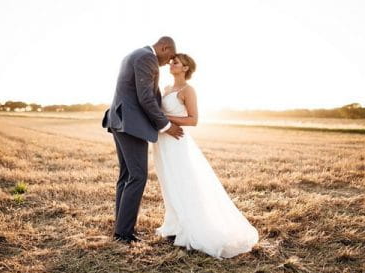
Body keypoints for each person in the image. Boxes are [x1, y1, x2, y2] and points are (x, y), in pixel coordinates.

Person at [153, 53, 259, 258]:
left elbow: (193, 120)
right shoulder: (165, 89)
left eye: (176, 62)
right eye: (172, 61)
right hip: (162, 142)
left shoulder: (188, 90)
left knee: (184, 182)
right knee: (169, 183)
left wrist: (163, 118)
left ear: (185, 68)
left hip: (177, 142)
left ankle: (194, 227)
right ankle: (175, 224)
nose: (171, 64)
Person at [102, 37, 183, 243]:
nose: (167, 63)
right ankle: (124, 234)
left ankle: (121, 229)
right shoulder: (147, 58)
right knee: (137, 176)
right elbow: (145, 97)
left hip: (120, 120)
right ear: (164, 47)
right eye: (170, 57)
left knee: (127, 175)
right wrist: (165, 125)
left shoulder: (134, 54)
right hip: (131, 124)